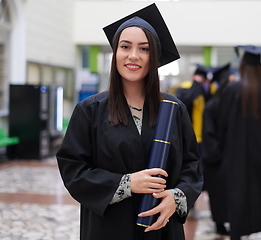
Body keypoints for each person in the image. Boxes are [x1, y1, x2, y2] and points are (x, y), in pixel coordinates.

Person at [56, 3, 203, 240]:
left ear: (153, 56)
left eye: (143, 49)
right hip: (109, 229)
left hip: (161, 228)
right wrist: (126, 183)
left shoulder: (173, 109)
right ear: (116, 53)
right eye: (125, 46)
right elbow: (73, 169)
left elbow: (192, 166)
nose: (133, 55)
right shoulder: (90, 110)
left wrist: (176, 198)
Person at [217, 45, 261, 240]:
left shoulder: (232, 90)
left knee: (239, 196)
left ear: (243, 65)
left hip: (237, 155)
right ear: (260, 67)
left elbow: (222, 122)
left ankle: (237, 234)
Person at [201, 63, 233, 236]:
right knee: (219, 194)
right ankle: (220, 224)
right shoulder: (213, 105)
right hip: (218, 159)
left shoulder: (223, 104)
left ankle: (224, 223)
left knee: (225, 194)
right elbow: (209, 133)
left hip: (224, 158)